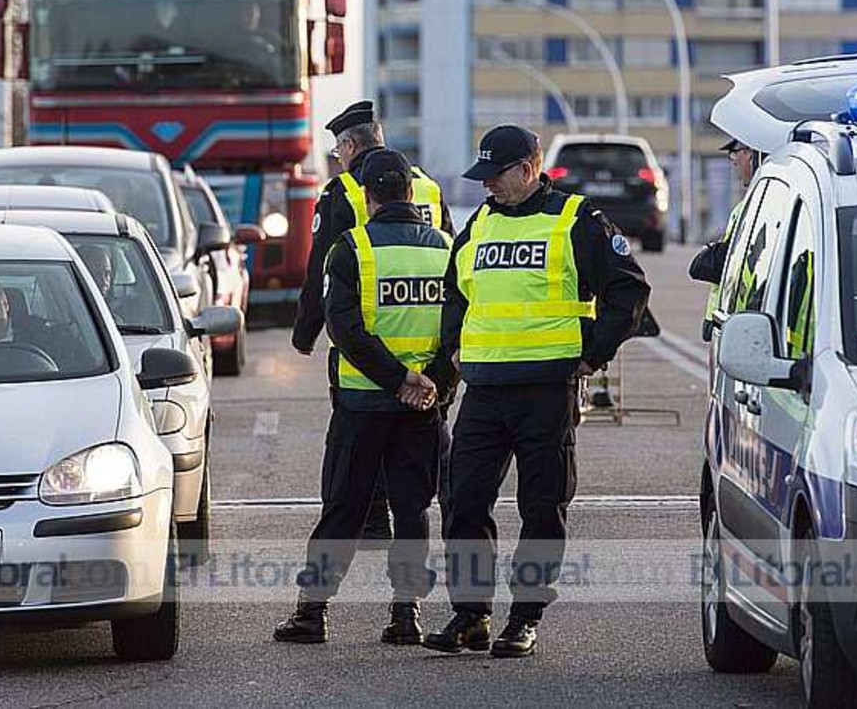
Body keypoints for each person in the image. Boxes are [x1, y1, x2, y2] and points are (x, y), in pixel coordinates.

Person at [424, 125, 651, 659]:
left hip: (545, 390)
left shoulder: (577, 220)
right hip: (483, 389)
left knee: (541, 507)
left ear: (527, 170)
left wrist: (592, 355)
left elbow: (629, 290)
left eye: (496, 176)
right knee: (463, 503)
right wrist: (454, 345)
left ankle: (524, 618)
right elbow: (456, 290)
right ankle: (471, 615)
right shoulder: (480, 223)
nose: (487, 187)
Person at [274, 149, 457, 646]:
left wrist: (396, 379)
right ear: (411, 193)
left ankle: (311, 614)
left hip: (361, 405)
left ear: (370, 196)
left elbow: (347, 331)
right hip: (423, 407)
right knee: (413, 508)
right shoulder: (446, 249)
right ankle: (407, 615)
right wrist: (430, 382)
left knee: (343, 508)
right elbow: (458, 332)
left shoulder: (352, 249)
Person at [292, 100, 455, 543]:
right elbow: (452, 260)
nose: (338, 159)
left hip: (365, 338)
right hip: (426, 341)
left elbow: (320, 267)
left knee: (359, 440)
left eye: (338, 150)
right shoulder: (429, 185)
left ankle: (372, 517)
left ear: (349, 146)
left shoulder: (343, 190)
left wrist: (306, 331)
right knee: (422, 441)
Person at [689, 138, 761, 341]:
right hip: (733, 319)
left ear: (750, 153)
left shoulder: (759, 204)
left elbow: (733, 260)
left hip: (745, 322)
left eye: (735, 152)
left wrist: (709, 259)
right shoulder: (750, 203)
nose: (733, 160)